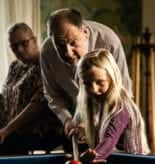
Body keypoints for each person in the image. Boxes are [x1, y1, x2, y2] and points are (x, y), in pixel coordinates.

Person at [40, 8, 133, 141]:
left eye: (73, 43)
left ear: (85, 32)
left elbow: (123, 91)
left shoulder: (109, 41)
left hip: (113, 119)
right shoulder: (47, 52)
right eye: (60, 45)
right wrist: (67, 120)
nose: (68, 52)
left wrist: (94, 122)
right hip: (75, 124)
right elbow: (53, 95)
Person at [0, 22, 64, 155]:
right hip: (7, 130)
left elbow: (38, 104)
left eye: (24, 43)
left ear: (35, 40)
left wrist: (7, 130)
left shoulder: (46, 64)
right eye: (14, 46)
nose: (19, 49)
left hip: (33, 132)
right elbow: (4, 103)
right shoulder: (14, 66)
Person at [68, 49, 149, 164]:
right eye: (87, 84)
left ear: (112, 78)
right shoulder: (100, 99)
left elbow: (109, 140)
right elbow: (103, 126)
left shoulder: (122, 106)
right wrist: (83, 129)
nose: (93, 90)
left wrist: (89, 157)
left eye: (100, 82)